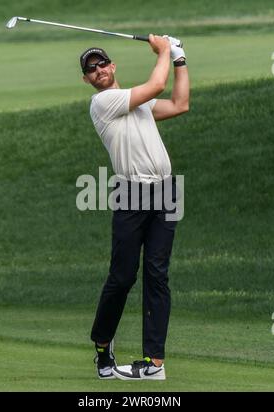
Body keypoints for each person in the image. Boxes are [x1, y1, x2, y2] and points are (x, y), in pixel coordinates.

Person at [80, 34, 189, 380]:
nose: (98, 71)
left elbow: (180, 104)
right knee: (123, 277)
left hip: (166, 192)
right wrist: (164, 51)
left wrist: (180, 59)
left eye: (102, 64)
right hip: (131, 196)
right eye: (91, 70)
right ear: (87, 80)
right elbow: (157, 84)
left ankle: (154, 362)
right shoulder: (104, 103)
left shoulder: (136, 104)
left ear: (113, 66)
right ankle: (102, 344)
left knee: (158, 275)